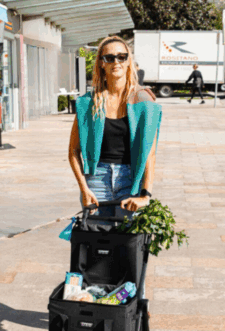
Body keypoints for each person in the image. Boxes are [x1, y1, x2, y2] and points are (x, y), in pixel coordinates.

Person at [68, 36, 162, 221]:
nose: (116, 62)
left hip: (131, 179)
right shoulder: (88, 103)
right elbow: (73, 150)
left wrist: (146, 195)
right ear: (102, 63)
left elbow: (150, 153)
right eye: (109, 58)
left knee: (128, 243)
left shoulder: (144, 102)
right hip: (96, 180)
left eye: (121, 56)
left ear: (129, 61)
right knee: (96, 241)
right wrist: (84, 188)